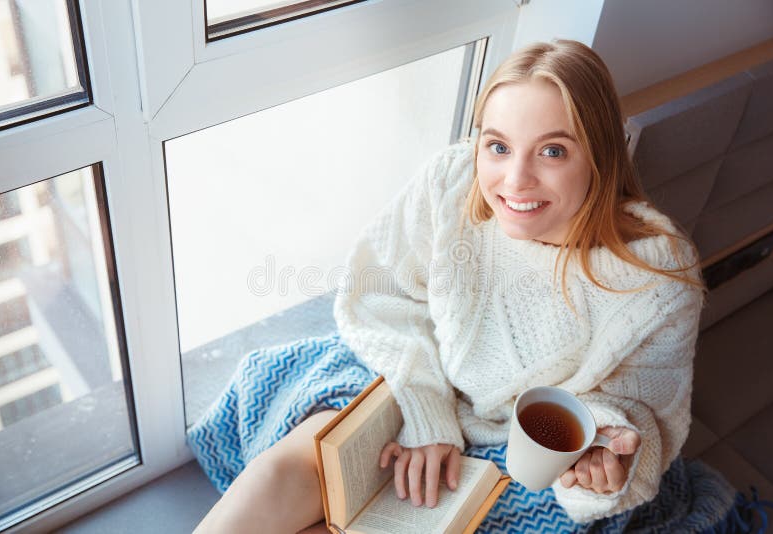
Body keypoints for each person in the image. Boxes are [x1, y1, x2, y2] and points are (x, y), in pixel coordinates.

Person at [193, 39, 704, 533]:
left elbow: (641, 410)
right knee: (277, 479)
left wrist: (598, 457)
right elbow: (385, 295)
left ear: (600, 154)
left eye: (552, 151)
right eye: (498, 146)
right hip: (410, 372)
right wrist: (425, 413)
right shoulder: (451, 183)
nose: (515, 179)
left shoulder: (656, 276)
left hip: (517, 451)